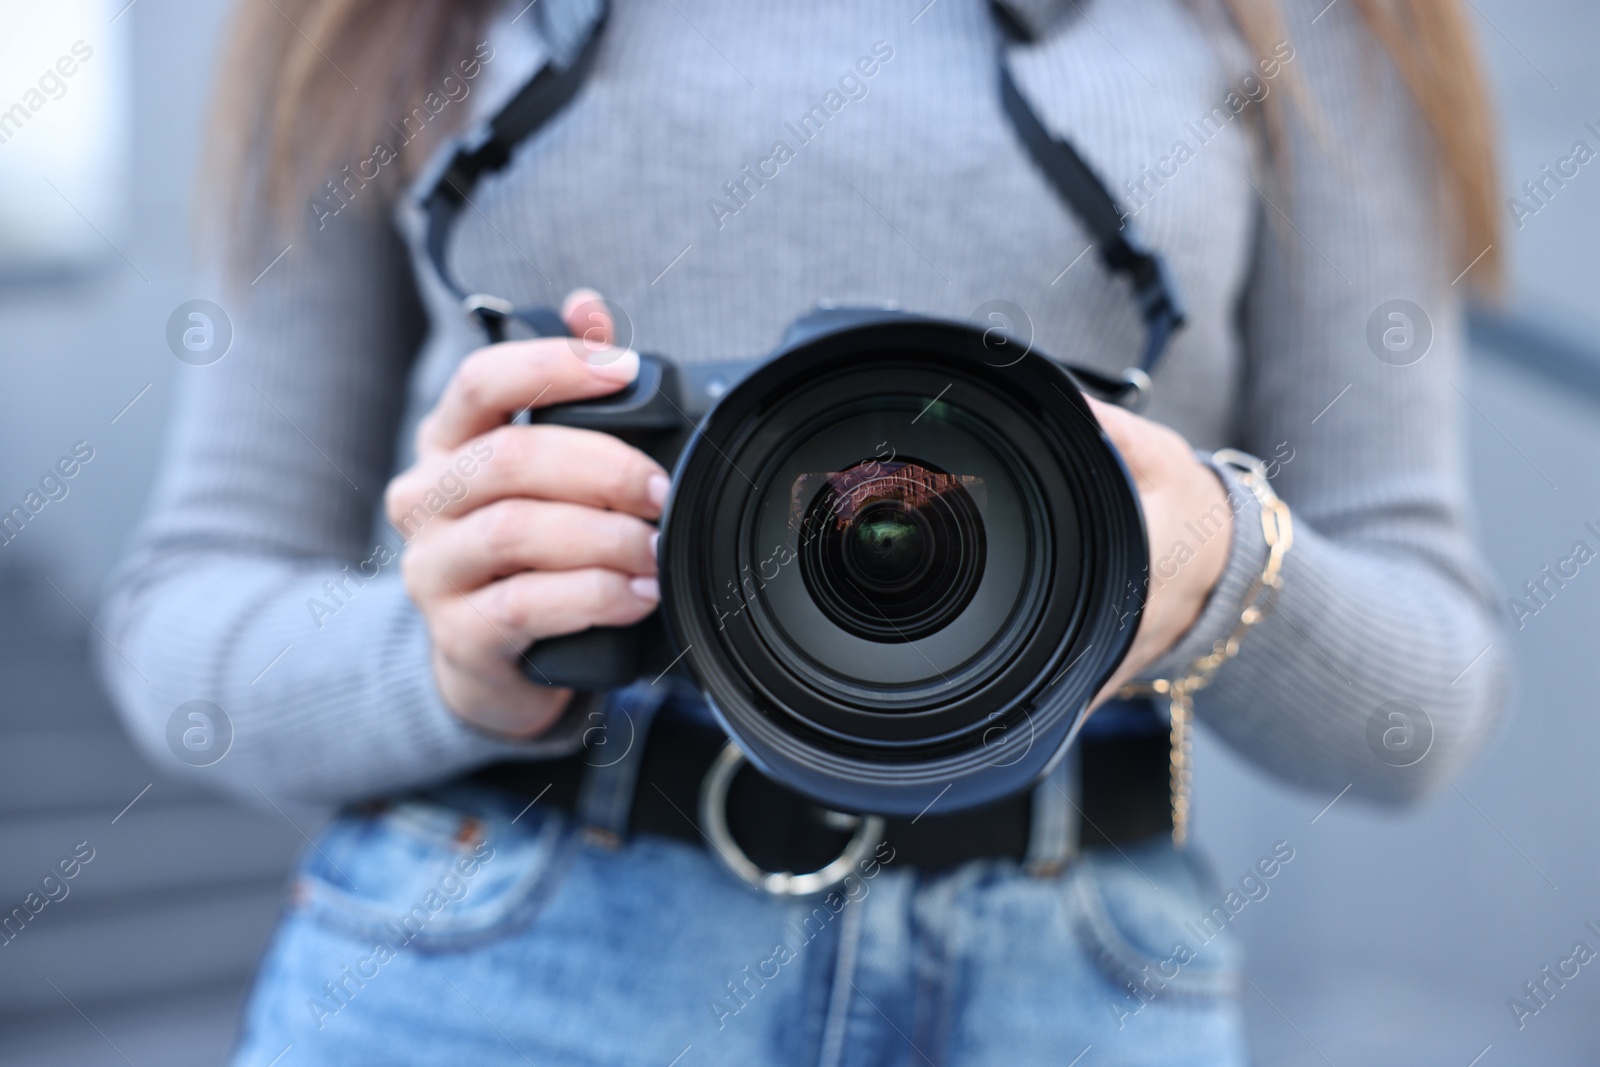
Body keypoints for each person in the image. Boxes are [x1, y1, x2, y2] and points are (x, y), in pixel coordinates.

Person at [98, 0, 1510, 1062]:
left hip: (1067, 983)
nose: (879, 531)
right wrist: (440, 656)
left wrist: (1217, 555)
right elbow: (185, 631)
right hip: (493, 964)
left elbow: (1424, 707)